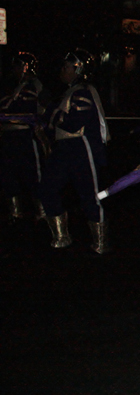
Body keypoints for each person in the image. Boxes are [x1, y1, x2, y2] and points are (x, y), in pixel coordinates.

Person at [38, 49, 110, 254]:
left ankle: (101, 244)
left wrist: (50, 109)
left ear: (79, 69)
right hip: (65, 149)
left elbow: (72, 123)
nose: (63, 70)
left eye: (66, 67)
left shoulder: (84, 91)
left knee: (89, 196)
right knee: (47, 188)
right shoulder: (70, 92)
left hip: (81, 147)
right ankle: (61, 236)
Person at [0, 52, 45, 224]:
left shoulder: (34, 86)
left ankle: (42, 212)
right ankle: (15, 212)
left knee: (33, 174)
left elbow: (21, 108)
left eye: (18, 66)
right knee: (8, 173)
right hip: (9, 136)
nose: (15, 70)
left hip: (26, 136)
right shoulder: (13, 86)